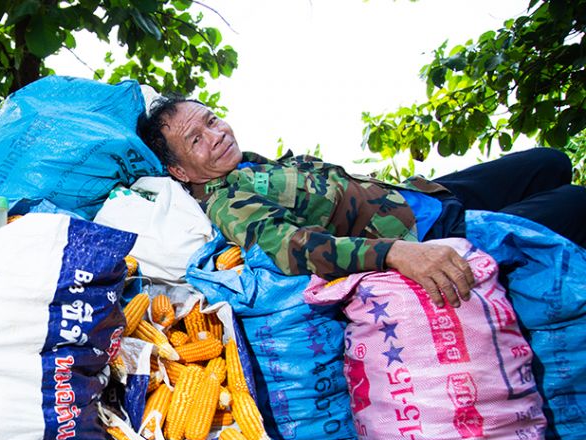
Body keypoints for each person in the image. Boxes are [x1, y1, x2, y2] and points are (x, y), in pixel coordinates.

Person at [138, 96, 586, 308]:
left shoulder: (248, 166)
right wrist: (396, 253)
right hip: (426, 232)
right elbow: (296, 250)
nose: (217, 136)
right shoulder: (226, 201)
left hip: (423, 195)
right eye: (197, 139)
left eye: (213, 120)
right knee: (575, 202)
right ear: (180, 171)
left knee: (548, 161)